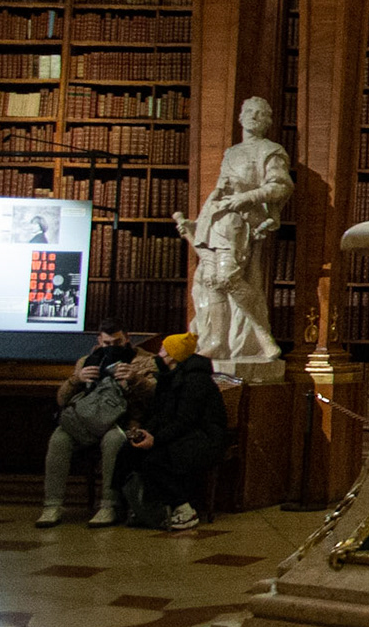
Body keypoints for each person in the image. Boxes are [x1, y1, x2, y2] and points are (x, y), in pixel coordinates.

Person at [176, 94, 292, 365]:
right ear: (240, 117)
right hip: (216, 220)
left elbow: (280, 186)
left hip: (240, 222)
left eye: (260, 113)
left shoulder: (270, 150)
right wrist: (198, 222)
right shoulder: (231, 152)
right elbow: (220, 190)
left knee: (228, 277)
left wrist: (247, 198)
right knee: (209, 280)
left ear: (268, 121)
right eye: (249, 111)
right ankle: (216, 341)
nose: (253, 116)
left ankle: (263, 336)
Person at [37, 319, 155, 528]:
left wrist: (135, 379)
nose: (111, 348)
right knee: (59, 439)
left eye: (117, 342)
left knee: (114, 441)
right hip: (85, 419)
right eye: (106, 343)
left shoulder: (145, 361)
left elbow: (154, 398)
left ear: (127, 339)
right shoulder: (87, 361)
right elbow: (62, 400)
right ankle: (52, 506)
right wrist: (77, 380)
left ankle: (108, 506)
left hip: (121, 420)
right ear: (99, 341)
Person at [112, 332, 227, 533]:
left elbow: (185, 420)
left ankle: (184, 508)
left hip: (203, 438)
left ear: (173, 356)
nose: (159, 353)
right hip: (181, 433)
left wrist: (155, 440)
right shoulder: (169, 377)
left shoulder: (195, 381)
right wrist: (144, 432)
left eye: (163, 349)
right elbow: (160, 413)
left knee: (155, 459)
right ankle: (133, 507)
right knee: (128, 452)